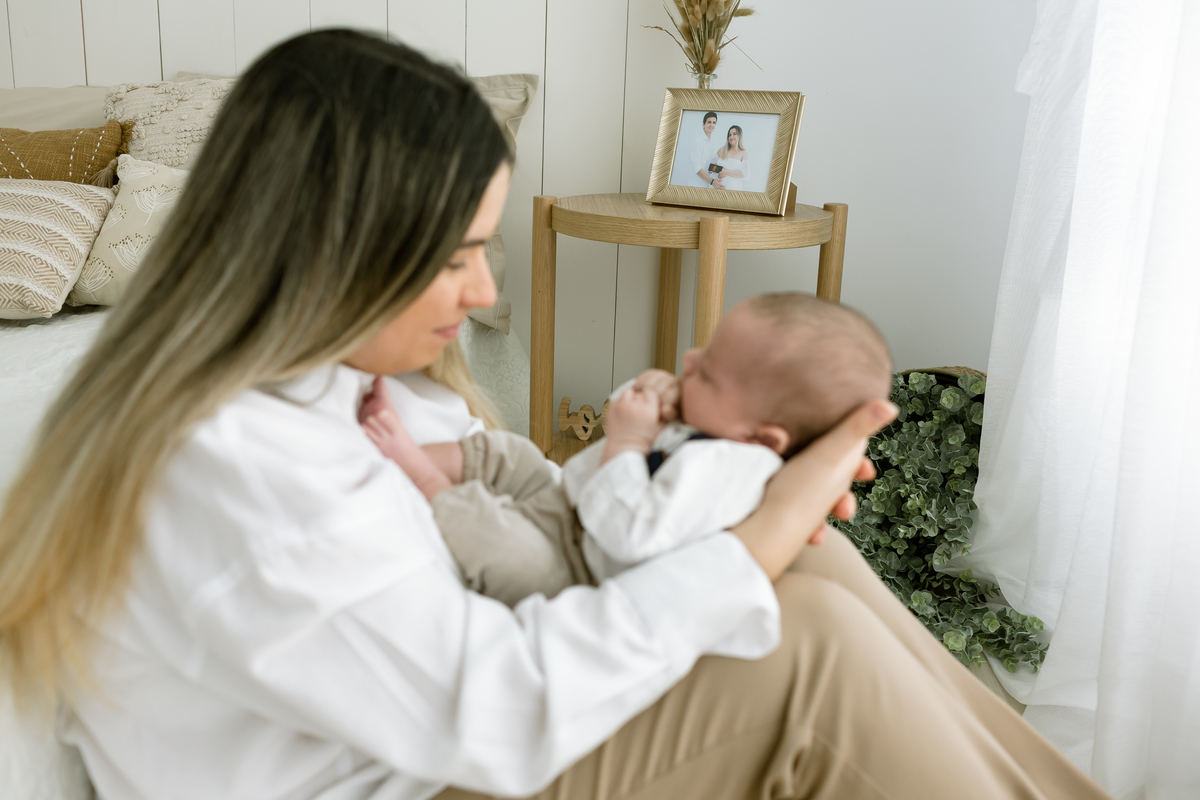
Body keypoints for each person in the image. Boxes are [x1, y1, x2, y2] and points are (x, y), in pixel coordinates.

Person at [0, 29, 1111, 800]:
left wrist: (744, 502)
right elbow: (495, 704)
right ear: (333, 255)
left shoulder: (323, 385)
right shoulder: (236, 468)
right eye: (457, 259)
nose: (486, 295)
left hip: (426, 734)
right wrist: (758, 529)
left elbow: (512, 487)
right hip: (423, 766)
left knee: (808, 571)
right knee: (804, 640)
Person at [359, 292, 893, 606]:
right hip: (568, 507)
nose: (688, 361)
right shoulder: (711, 420)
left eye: (707, 374)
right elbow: (619, 424)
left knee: (503, 546)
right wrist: (642, 403)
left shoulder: (729, 471)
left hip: (580, 570)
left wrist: (632, 439)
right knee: (511, 453)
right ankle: (423, 458)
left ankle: (420, 476)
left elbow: (630, 530)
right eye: (701, 351)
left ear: (761, 439)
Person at [687, 111, 726, 189]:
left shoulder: (713, 142)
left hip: (706, 184)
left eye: (714, 122)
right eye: (709, 122)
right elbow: (697, 168)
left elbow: (709, 164)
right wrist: (712, 181)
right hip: (695, 185)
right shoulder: (697, 142)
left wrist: (717, 168)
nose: (711, 125)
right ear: (703, 124)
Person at [711, 124, 748, 190]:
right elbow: (713, 163)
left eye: (734, 134)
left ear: (739, 136)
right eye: (729, 135)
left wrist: (728, 172)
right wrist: (713, 169)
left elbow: (745, 173)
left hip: (732, 190)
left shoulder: (743, 152)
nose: (731, 137)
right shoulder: (722, 149)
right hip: (715, 188)